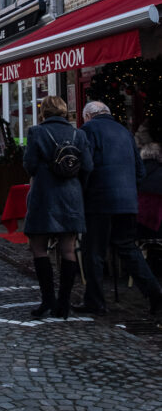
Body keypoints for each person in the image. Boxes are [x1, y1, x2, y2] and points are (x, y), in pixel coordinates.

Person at [78, 101, 162, 316]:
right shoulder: (124, 131)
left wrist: (84, 190)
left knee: (93, 253)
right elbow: (139, 170)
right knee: (128, 249)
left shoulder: (87, 130)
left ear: (88, 116)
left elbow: (86, 165)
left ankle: (96, 302)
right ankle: (155, 293)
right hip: (127, 202)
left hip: (99, 201)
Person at [23, 96, 93, 319]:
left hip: (44, 195)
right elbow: (89, 166)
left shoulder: (36, 132)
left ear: (44, 111)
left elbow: (29, 165)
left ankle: (48, 300)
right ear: (64, 111)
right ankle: (63, 303)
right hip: (71, 196)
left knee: (39, 247)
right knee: (69, 249)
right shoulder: (78, 134)